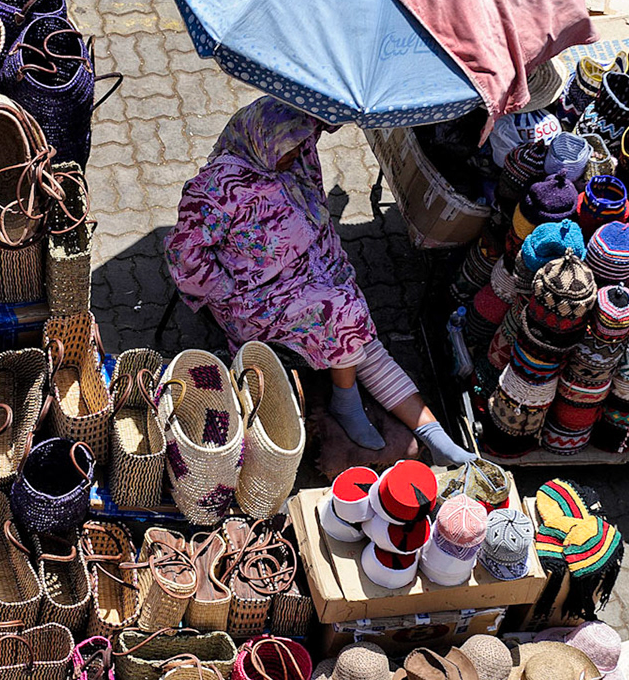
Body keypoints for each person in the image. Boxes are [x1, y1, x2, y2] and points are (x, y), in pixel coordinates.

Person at [167, 97, 475, 465]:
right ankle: (346, 403)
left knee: (355, 329)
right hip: (253, 298)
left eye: (299, 146)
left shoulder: (293, 155)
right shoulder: (215, 191)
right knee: (343, 313)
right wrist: (227, 291)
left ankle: (435, 435)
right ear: (262, 141)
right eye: (288, 148)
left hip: (311, 268)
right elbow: (183, 254)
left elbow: (320, 123)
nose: (295, 155)